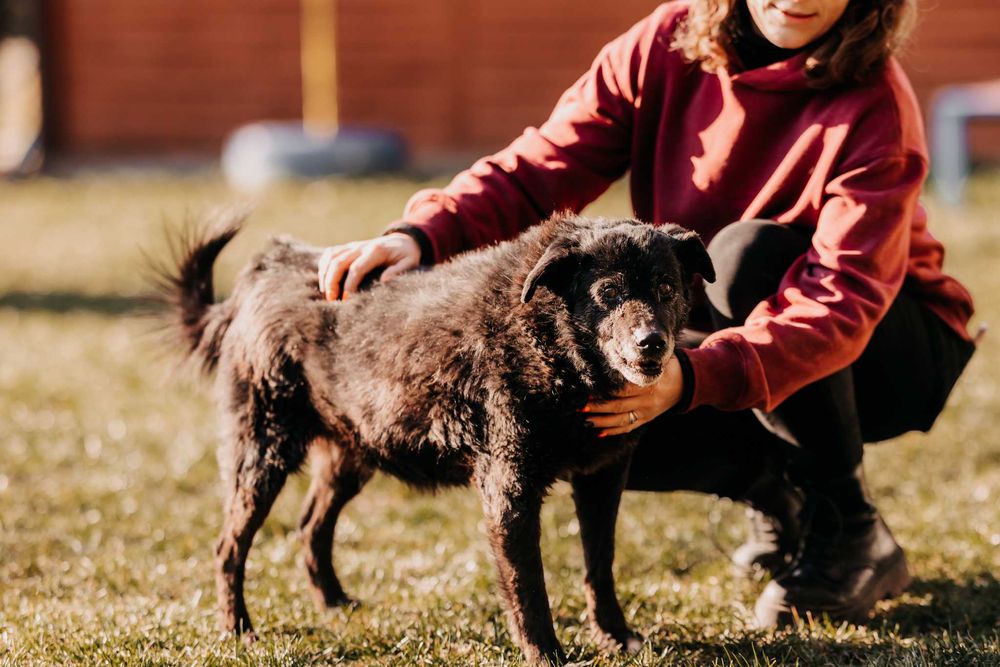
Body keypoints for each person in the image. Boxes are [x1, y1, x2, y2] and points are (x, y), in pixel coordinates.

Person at [316, 0, 977, 627]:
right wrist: (422, 234)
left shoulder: (877, 103)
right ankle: (776, 493)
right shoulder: (666, 45)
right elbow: (542, 168)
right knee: (578, 403)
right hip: (719, 329)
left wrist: (694, 379)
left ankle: (848, 526)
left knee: (748, 256)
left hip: (886, 346)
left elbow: (841, 301)